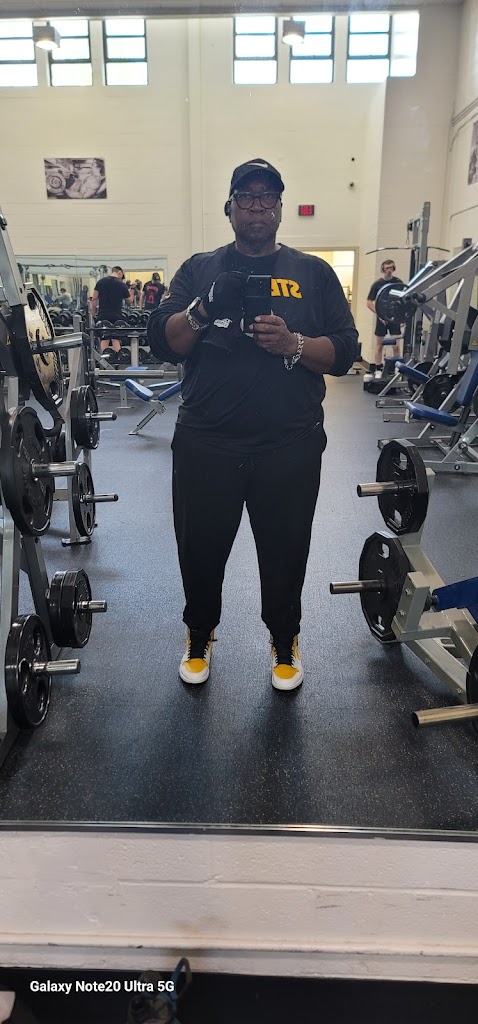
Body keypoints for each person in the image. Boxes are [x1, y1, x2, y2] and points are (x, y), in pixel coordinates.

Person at [148, 157, 358, 691]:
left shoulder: (314, 273)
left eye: (268, 197)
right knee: (199, 550)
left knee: (286, 552)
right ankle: (199, 635)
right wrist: (202, 311)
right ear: (230, 208)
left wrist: (293, 344)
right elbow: (163, 342)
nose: (257, 206)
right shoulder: (199, 269)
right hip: (207, 443)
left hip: (289, 445)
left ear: (280, 208)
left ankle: (285, 641)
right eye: (247, 197)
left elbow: (345, 352)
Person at [366, 259, 404, 379]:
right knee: (379, 345)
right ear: (383, 269)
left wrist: (401, 318)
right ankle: (378, 368)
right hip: (382, 318)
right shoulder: (377, 284)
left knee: (396, 346)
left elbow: (403, 300)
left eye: (391, 268)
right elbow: (369, 302)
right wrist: (380, 314)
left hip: (394, 318)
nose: (389, 270)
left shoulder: (398, 283)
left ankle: (397, 369)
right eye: (387, 268)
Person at [90, 266, 132, 353]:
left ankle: (103, 359)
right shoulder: (122, 284)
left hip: (103, 315)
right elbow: (129, 302)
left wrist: (93, 314)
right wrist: (132, 292)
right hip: (116, 316)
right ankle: (118, 359)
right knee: (115, 339)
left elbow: (94, 299)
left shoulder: (100, 282)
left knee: (104, 339)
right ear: (119, 272)